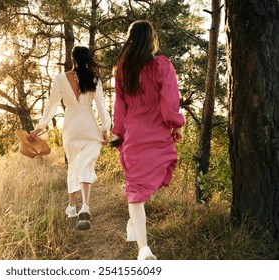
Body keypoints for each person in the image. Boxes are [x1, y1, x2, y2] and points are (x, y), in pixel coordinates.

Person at [112, 20, 185, 259]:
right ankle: (143, 247)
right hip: (156, 134)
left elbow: (119, 106)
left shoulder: (122, 69)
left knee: (136, 190)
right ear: (151, 39)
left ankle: (139, 237)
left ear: (130, 40)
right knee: (140, 189)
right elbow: (169, 101)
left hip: (134, 134)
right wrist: (176, 125)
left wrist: (119, 133)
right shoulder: (161, 65)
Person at [30, 46, 111, 230]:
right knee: (86, 164)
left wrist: (40, 127)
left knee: (73, 163)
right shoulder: (94, 78)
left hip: (71, 126)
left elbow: (51, 106)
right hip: (89, 125)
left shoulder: (60, 78)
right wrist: (105, 129)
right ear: (88, 59)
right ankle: (86, 206)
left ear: (72, 59)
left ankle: (73, 207)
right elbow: (101, 106)